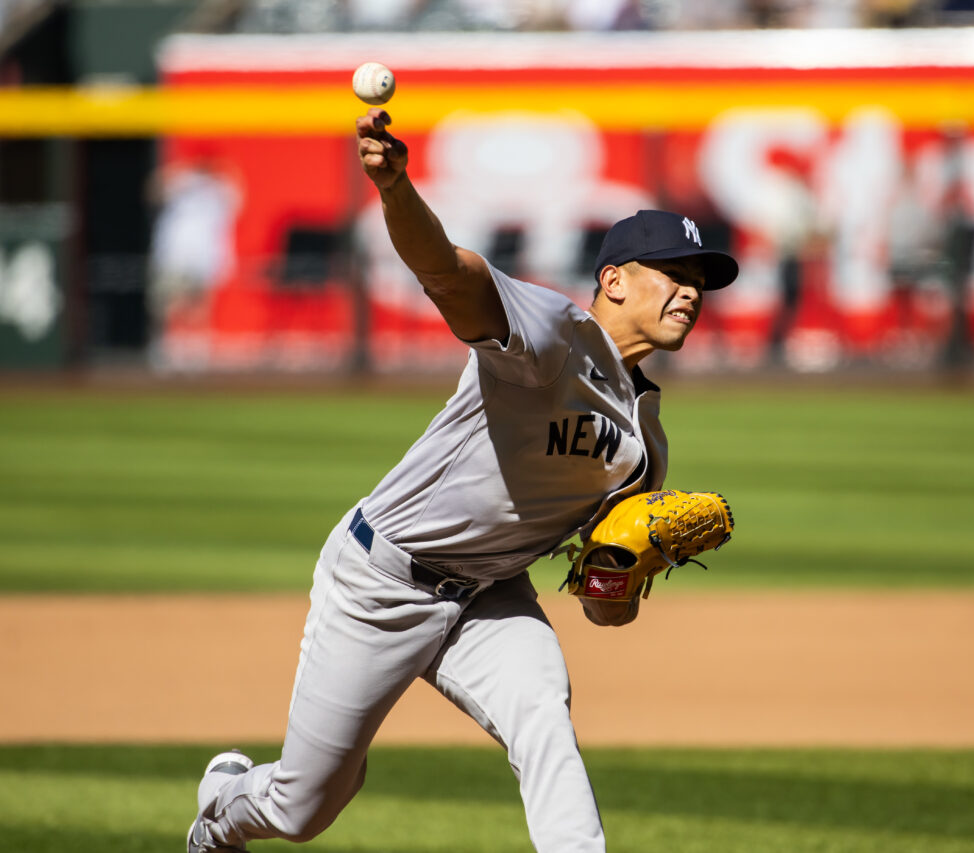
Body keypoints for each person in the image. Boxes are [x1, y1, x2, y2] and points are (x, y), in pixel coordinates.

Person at [186, 106, 738, 853]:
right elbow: (445, 270)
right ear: (613, 279)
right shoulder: (550, 336)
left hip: (489, 594)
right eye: (674, 272)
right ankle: (224, 802)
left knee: (543, 712)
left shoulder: (644, 445)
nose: (692, 291)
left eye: (701, 279)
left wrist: (622, 568)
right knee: (303, 807)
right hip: (381, 581)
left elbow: (607, 613)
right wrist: (394, 186)